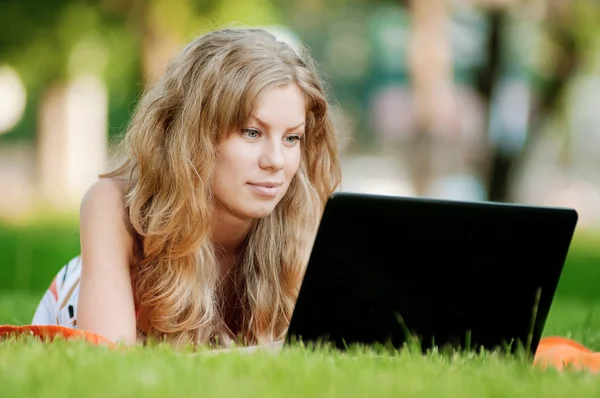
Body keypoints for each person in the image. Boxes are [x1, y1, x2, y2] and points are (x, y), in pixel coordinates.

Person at [31, 27, 342, 350]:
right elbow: (111, 364)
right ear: (192, 136)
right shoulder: (114, 208)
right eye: (251, 133)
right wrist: (276, 353)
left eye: (292, 138)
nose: (276, 161)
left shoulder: (302, 217)